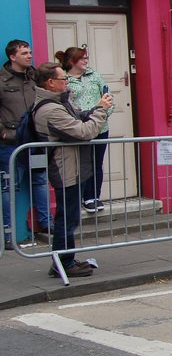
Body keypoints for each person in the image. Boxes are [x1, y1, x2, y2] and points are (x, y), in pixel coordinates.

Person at [32, 62, 113, 277]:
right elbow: (84, 131)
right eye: (63, 79)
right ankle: (64, 263)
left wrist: (95, 108)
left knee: (69, 218)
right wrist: (102, 111)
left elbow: (77, 118)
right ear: (50, 83)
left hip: (73, 168)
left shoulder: (59, 103)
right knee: (66, 219)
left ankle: (63, 260)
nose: (67, 83)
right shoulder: (50, 109)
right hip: (65, 170)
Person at [1, 39, 51, 249]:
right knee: (9, 186)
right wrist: (2, 132)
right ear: (12, 56)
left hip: (34, 140)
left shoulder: (35, 77)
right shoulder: (2, 79)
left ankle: (47, 224)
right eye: (24, 53)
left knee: (39, 181)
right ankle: (8, 235)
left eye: (30, 52)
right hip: (10, 142)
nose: (30, 56)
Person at [60, 47, 110, 213]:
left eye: (87, 58)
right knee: (81, 163)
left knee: (97, 163)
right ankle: (81, 197)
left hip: (100, 127)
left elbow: (107, 96)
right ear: (71, 61)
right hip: (79, 128)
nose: (86, 61)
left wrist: (103, 114)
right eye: (82, 58)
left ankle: (93, 196)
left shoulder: (94, 75)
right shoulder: (64, 79)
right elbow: (64, 104)